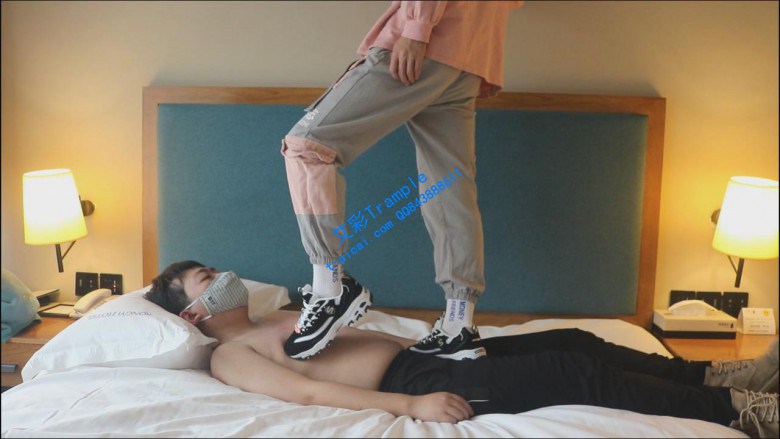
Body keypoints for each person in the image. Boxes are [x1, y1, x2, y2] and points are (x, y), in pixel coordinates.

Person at [144, 261, 779, 437]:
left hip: (434, 355)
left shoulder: (280, 313)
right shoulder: (229, 355)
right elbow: (308, 392)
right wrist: (410, 407)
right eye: (206, 279)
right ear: (193, 312)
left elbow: (360, 332)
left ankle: (716, 372)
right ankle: (739, 411)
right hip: (415, 383)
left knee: (576, 337)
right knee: (572, 370)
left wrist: (444, 341)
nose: (222, 277)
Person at [279, 1, 525, 360]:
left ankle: (330, 289)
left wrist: (417, 28)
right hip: (471, 57)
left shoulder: (420, 31)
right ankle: (458, 325)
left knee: (305, 147)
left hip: (427, 42)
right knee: (449, 187)